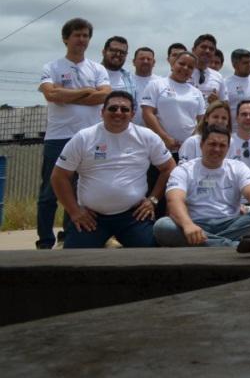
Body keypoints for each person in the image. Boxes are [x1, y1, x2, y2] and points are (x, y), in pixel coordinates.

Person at [51, 91, 176, 248]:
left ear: (132, 114)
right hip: (91, 218)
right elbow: (59, 176)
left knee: (150, 257)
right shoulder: (83, 138)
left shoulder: (147, 137)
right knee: (74, 259)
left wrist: (153, 200)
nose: (118, 113)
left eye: (124, 109)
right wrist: (74, 211)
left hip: (133, 216)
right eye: (113, 108)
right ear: (102, 112)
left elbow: (169, 168)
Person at [36, 17, 111, 249]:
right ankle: (45, 240)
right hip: (58, 138)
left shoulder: (97, 69)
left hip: (88, 138)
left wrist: (66, 93)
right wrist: (88, 91)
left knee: (78, 192)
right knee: (50, 192)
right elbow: (51, 95)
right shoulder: (52, 67)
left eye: (86, 35)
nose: (82, 40)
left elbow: (104, 96)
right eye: (77, 35)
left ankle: (69, 238)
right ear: (66, 38)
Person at [153, 124, 250, 246]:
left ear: (228, 148)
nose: (217, 149)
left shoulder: (238, 167)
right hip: (195, 224)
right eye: (212, 144)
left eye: (222, 145)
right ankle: (233, 246)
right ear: (201, 145)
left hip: (232, 224)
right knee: (163, 226)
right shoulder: (184, 170)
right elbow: (174, 200)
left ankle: (208, 244)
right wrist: (188, 225)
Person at [141, 51, 206, 155]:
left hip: (187, 150)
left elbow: (202, 121)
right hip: (160, 146)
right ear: (173, 64)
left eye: (190, 67)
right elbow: (147, 113)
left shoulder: (197, 93)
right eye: (182, 64)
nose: (185, 68)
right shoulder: (156, 85)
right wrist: (165, 138)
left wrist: (189, 142)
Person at [190, 34, 226, 102]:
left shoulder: (218, 77)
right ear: (193, 50)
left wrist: (217, 102)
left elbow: (225, 104)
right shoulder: (183, 72)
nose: (207, 51)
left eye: (211, 49)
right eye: (203, 47)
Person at [101, 36, 135, 103]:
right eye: (114, 50)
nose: (118, 54)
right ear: (104, 52)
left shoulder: (129, 78)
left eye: (122, 52)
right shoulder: (92, 73)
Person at [130, 46, 158, 126]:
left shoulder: (161, 83)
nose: (145, 61)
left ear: (154, 62)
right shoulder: (125, 81)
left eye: (149, 59)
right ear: (133, 62)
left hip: (154, 132)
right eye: (142, 59)